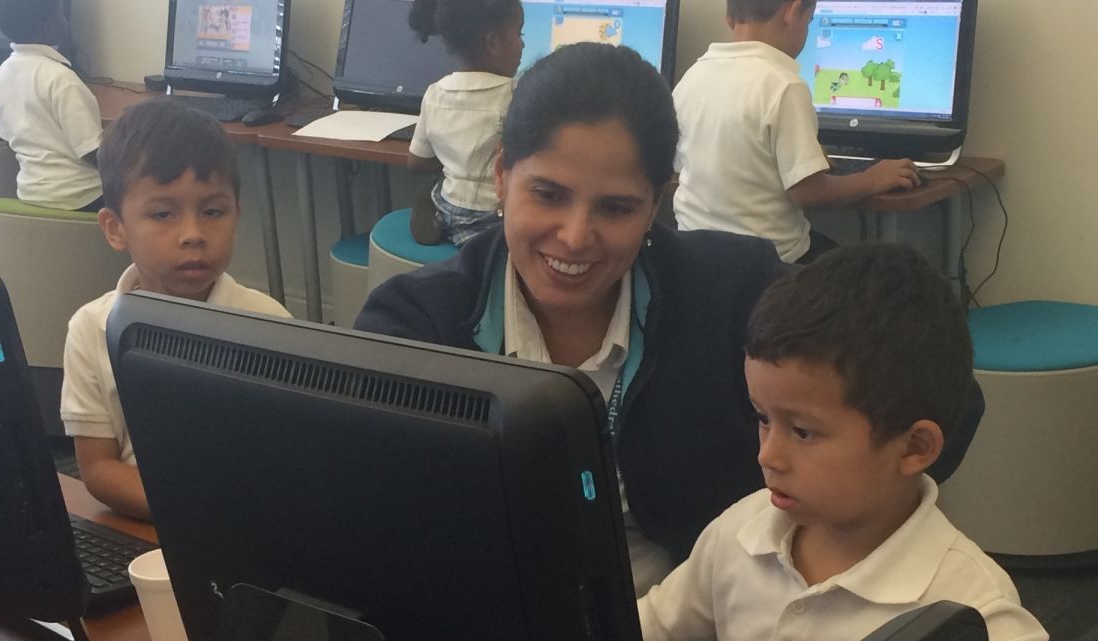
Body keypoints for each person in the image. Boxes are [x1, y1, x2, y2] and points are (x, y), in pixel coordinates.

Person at [356, 42, 787, 596]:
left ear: (654, 205)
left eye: (616, 207)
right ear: (502, 176)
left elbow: (896, 420)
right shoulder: (413, 326)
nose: (576, 236)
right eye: (549, 194)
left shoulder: (737, 296)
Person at [637, 244, 1048, 641]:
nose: (768, 454)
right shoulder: (738, 533)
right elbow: (650, 623)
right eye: (763, 419)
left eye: (802, 432)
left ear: (913, 447)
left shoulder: (971, 608)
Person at [61, 99, 292, 519]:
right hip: (150, 522)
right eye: (163, 213)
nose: (192, 234)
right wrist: (192, 511)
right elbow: (97, 468)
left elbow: (289, 459)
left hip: (249, 523)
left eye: (212, 211)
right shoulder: (91, 329)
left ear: (236, 216)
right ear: (116, 228)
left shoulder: (269, 323)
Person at [672, 0, 921, 264]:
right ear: (793, 11)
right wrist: (872, 179)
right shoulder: (784, 84)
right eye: (810, 21)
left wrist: (806, 158)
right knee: (860, 275)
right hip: (770, 262)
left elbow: (691, 164)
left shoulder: (692, 77)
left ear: (729, 18)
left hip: (696, 257)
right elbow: (808, 193)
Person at [406, 0, 524, 246]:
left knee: (440, 185)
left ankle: (435, 213)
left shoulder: (434, 92)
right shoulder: (517, 93)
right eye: (519, 33)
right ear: (492, 42)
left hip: (450, 206)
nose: (523, 44)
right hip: (497, 217)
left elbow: (416, 162)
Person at [0, 0, 104, 211]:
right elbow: (94, 153)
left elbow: (8, 139)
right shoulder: (62, 79)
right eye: (61, 12)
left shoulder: (2, 74)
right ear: (51, 26)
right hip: (83, 197)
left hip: (30, 194)